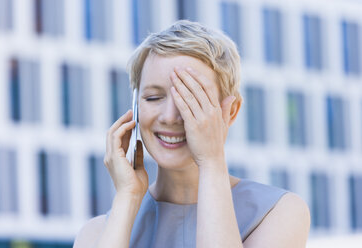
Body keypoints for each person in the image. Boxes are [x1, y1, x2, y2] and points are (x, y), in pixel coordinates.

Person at [73, 20, 310, 248]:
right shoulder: (96, 232)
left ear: (231, 111)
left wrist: (211, 163)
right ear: (135, 107)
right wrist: (127, 197)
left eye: (190, 99)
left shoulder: (278, 212)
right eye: (153, 98)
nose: (169, 116)